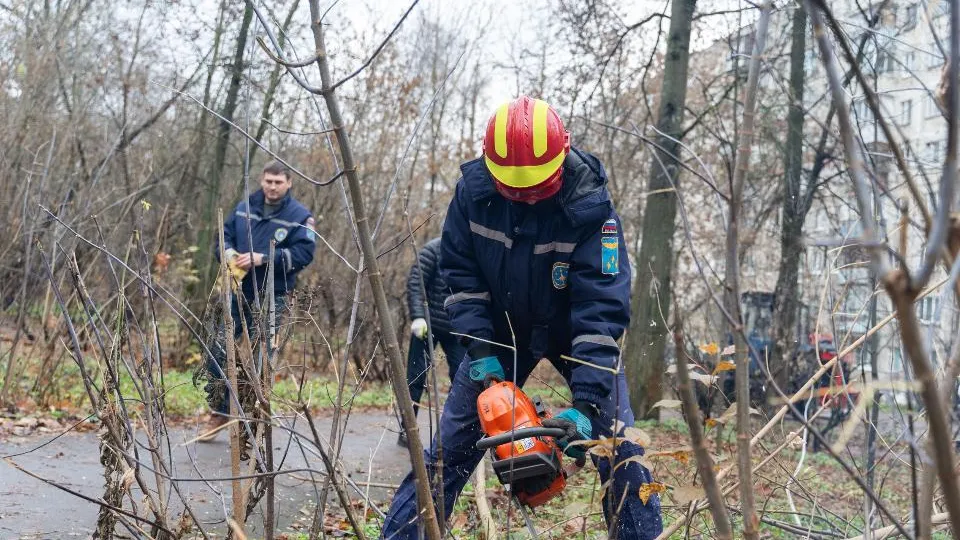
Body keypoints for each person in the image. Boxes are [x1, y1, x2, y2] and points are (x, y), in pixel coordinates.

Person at [381, 96, 663, 538]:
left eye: (535, 184)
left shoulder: (592, 208)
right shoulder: (472, 195)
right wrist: (480, 350)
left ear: (562, 154)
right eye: (513, 186)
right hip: (499, 331)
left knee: (624, 455)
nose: (524, 195)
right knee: (444, 457)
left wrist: (588, 403)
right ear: (489, 163)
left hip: (576, 336)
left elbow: (601, 305)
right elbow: (462, 276)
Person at [200, 160, 317, 441]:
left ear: (288, 183)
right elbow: (222, 237)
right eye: (268, 181)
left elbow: (305, 254)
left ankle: (250, 420)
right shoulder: (244, 208)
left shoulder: (301, 216)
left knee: (260, 357)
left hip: (273, 295)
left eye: (278, 182)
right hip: (238, 289)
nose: (272, 187)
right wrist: (228, 254)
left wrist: (264, 258)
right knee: (217, 347)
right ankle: (220, 411)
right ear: (262, 181)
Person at [399, 237, 467, 447]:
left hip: (457, 329)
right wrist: (418, 316)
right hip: (427, 327)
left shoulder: (470, 255)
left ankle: (451, 433)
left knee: (462, 380)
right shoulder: (433, 250)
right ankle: (407, 430)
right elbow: (416, 284)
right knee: (416, 378)